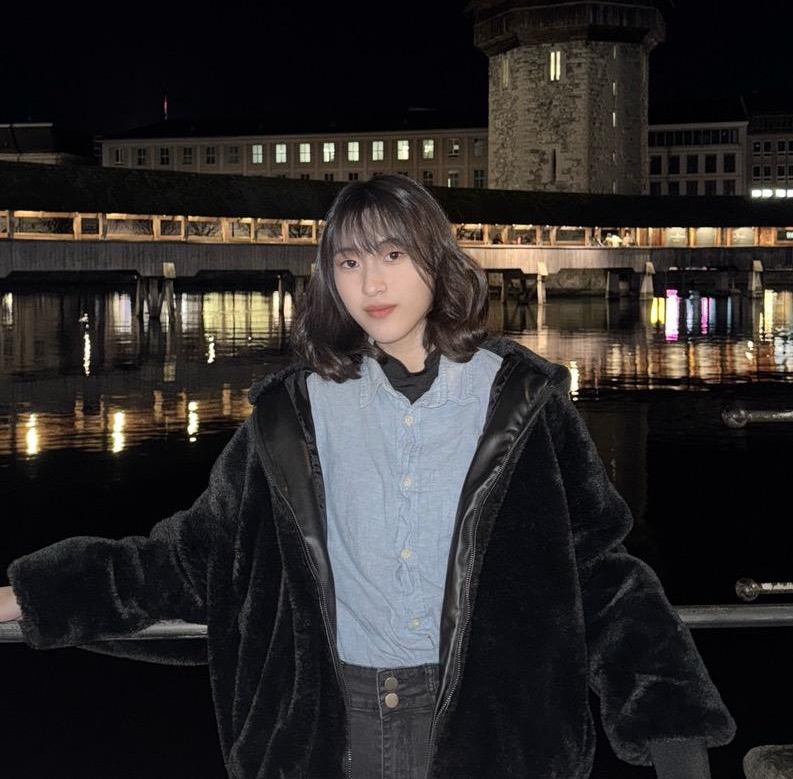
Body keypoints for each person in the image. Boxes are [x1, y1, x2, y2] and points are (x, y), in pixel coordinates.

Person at [0, 175, 734, 779]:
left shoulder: (519, 404)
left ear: (437, 261)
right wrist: (26, 597)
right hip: (327, 730)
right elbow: (193, 558)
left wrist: (675, 740)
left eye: (391, 253)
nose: (370, 282)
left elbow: (600, 574)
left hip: (492, 730)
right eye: (348, 263)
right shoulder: (293, 415)